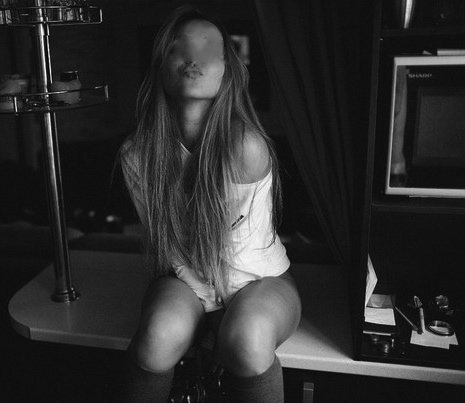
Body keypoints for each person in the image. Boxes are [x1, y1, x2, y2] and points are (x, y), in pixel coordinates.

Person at [119, 5, 301, 403]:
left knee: (247, 339)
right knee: (156, 337)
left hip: (257, 279)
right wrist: (197, 323)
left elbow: (229, 259)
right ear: (160, 66)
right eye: (179, 48)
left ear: (228, 70)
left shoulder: (244, 146)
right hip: (186, 278)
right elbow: (170, 249)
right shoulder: (137, 153)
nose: (193, 57)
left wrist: (213, 329)